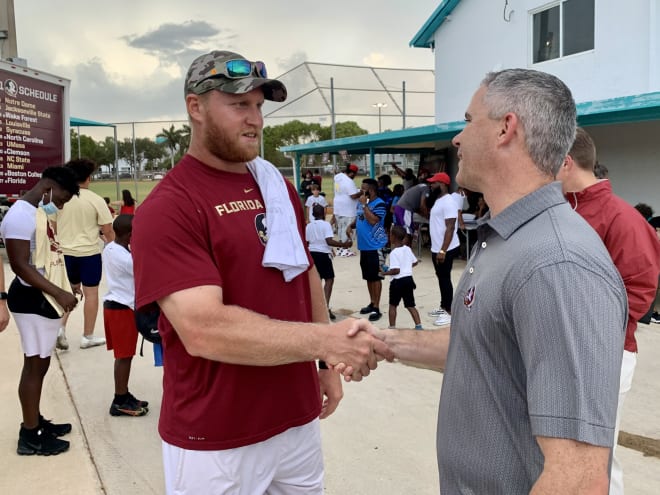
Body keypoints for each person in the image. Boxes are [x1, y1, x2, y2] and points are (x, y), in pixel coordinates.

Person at [343, 69, 628, 493]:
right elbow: (482, 343)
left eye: (468, 120)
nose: (457, 139)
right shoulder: (509, 237)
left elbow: (577, 477)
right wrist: (385, 342)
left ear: (505, 128)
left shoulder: (555, 264)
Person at [130, 49, 391, 494]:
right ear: (195, 107)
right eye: (238, 105)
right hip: (215, 436)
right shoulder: (169, 207)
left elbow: (303, 273)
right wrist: (324, 340)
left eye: (258, 106)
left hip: (294, 418)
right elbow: (204, 329)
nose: (255, 120)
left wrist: (325, 360)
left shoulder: (276, 187)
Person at [556, 127, 660, 495]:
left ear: (566, 163)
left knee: (597, 455)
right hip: (559, 352)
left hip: (604, 355)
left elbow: (640, 293)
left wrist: (578, 328)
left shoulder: (622, 218)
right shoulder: (564, 212)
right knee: (560, 453)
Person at [1, 166, 80, 456]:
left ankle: (35, 420)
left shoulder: (36, 212)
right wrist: (58, 292)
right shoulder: (20, 216)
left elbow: (48, 256)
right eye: (61, 198)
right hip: (32, 298)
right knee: (34, 366)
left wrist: (66, 286)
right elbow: (21, 265)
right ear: (49, 185)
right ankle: (30, 435)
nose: (59, 205)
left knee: (41, 363)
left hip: (43, 296)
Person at [55, 158, 114, 350]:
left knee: (67, 292)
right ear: (88, 178)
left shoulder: (60, 198)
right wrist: (113, 248)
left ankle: (59, 329)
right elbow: (107, 229)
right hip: (89, 254)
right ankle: (87, 336)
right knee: (91, 294)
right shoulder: (96, 200)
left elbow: (51, 224)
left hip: (65, 252)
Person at [102, 214, 149, 418]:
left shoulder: (113, 248)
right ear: (130, 235)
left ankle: (124, 393)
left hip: (118, 306)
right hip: (122, 309)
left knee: (125, 355)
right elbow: (145, 269)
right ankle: (119, 400)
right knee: (124, 356)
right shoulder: (124, 257)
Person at [347, 178, 388, 322]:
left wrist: (365, 205)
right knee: (369, 276)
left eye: (362, 189)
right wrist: (350, 226)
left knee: (376, 277)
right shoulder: (362, 202)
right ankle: (372, 303)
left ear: (371, 190)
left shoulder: (379, 204)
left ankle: (377, 308)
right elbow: (360, 218)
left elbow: (373, 221)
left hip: (376, 246)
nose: (360, 192)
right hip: (364, 246)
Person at [305, 204, 352, 321]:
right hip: (323, 255)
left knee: (317, 281)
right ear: (324, 213)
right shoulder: (326, 225)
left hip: (312, 254)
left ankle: (317, 308)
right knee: (329, 279)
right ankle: (325, 307)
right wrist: (344, 245)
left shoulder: (309, 226)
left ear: (313, 214)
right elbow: (328, 241)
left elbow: (307, 243)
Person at [426, 172, 460, 326]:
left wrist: (443, 251)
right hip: (437, 247)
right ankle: (443, 306)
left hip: (445, 248)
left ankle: (449, 312)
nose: (431, 185)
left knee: (445, 278)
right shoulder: (439, 200)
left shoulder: (449, 202)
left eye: (434, 183)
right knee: (441, 277)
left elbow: (450, 227)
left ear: (443, 184)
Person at [381, 226, 422, 330]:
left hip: (397, 282)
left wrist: (384, 273)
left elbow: (396, 270)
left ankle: (392, 327)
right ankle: (418, 326)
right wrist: (407, 267)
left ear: (393, 237)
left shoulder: (393, 253)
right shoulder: (407, 249)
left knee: (393, 305)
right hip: (408, 280)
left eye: (390, 235)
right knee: (410, 305)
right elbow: (415, 262)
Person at [333, 163, 361, 257]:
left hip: (338, 207)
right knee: (347, 229)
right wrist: (361, 192)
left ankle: (340, 249)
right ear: (352, 173)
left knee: (340, 229)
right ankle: (345, 250)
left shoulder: (337, 177)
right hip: (347, 210)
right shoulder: (349, 181)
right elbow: (353, 196)